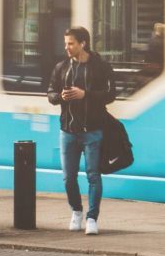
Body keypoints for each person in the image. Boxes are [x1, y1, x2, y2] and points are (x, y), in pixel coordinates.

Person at [47, 26, 115, 235]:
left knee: (93, 175)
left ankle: (92, 218)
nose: (66, 47)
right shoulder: (61, 67)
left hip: (93, 130)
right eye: (66, 43)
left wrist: (85, 94)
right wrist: (61, 97)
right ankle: (76, 210)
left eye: (71, 43)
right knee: (68, 177)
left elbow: (111, 94)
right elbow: (50, 94)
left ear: (82, 44)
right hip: (68, 130)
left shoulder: (101, 67)